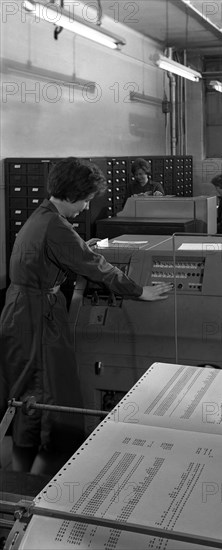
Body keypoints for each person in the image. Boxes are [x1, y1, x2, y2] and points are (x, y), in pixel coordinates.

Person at [0, 157, 173, 475]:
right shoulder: (56, 226)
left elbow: (68, 252)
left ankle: (23, 470)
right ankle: (42, 477)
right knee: (49, 392)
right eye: (86, 200)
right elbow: (95, 265)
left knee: (27, 392)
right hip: (37, 315)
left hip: (20, 309)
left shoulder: (42, 215)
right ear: (72, 195)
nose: (85, 208)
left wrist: (79, 246)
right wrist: (138, 291)